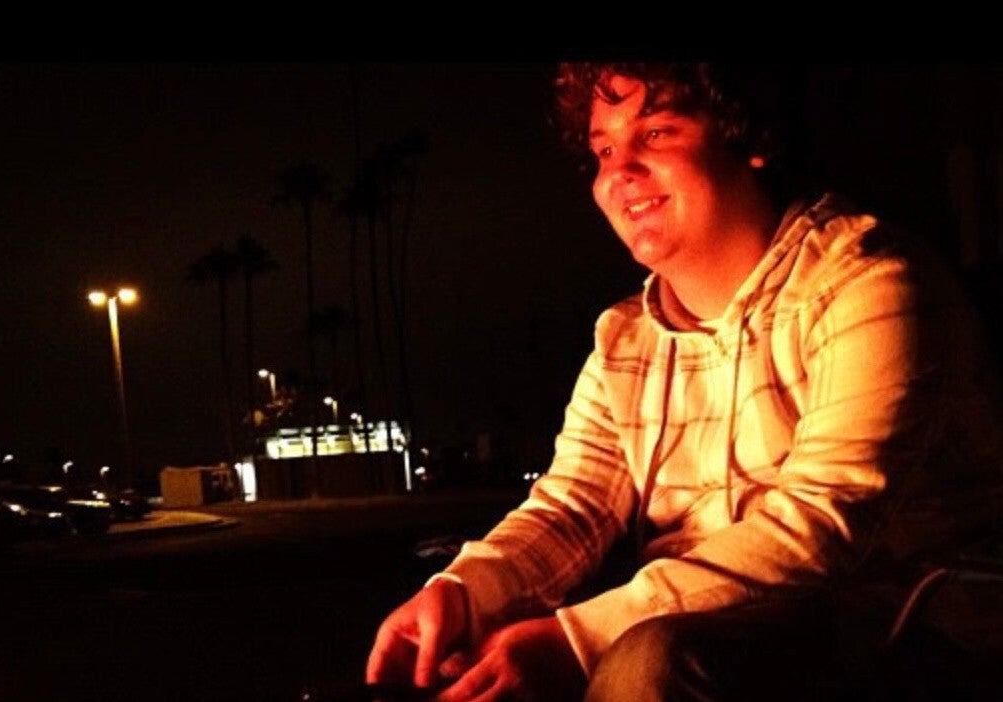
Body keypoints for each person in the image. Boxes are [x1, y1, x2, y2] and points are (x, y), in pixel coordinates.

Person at [366, 62, 1003, 701]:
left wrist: (575, 641)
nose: (619, 172)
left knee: (648, 662)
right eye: (604, 150)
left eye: (656, 134)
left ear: (748, 137)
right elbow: (572, 508)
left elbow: (823, 523)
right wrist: (463, 593)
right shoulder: (626, 340)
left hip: (900, 628)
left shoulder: (870, 284)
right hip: (700, 625)